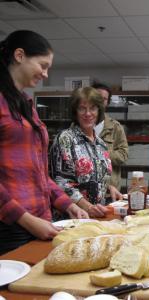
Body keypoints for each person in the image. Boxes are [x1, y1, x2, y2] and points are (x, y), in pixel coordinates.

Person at [0, 30, 88, 255]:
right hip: (10, 225)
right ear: (19, 55)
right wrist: (26, 220)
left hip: (41, 219)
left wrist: (68, 204)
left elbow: (39, 173)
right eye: (42, 65)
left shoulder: (27, 104)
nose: (46, 74)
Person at [50, 87, 123, 219]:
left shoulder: (101, 144)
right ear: (75, 111)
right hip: (71, 217)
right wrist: (87, 207)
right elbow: (60, 182)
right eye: (82, 108)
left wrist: (109, 187)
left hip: (97, 216)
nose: (88, 113)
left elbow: (95, 178)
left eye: (93, 108)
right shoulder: (65, 139)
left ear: (99, 111)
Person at [92, 82, 128, 191]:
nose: (100, 101)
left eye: (104, 99)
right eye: (97, 97)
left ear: (107, 102)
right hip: (83, 191)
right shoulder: (77, 126)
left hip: (109, 191)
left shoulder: (115, 127)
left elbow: (123, 155)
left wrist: (102, 153)